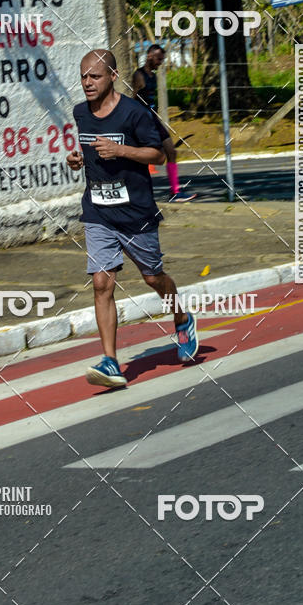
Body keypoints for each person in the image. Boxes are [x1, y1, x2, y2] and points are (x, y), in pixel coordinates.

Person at [67, 48, 198, 389]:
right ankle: (111, 362)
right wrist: (78, 160)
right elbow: (89, 149)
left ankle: (182, 319)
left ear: (112, 76)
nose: (87, 83)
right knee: (101, 283)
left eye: (94, 76)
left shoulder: (134, 113)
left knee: (153, 279)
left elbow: (158, 152)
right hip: (97, 210)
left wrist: (121, 150)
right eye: (83, 76)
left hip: (136, 211)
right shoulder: (81, 113)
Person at [132, 44, 196, 202]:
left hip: (153, 119)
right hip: (142, 121)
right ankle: (137, 192)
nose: (161, 62)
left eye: (162, 59)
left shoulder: (153, 77)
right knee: (147, 156)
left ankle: (175, 192)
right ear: (149, 56)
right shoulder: (139, 75)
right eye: (159, 59)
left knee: (171, 151)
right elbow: (132, 99)